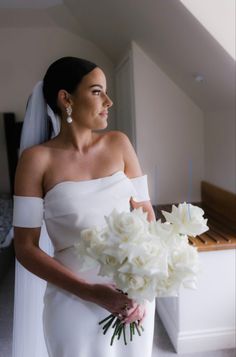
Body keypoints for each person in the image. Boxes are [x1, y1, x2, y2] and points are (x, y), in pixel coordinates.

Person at [12, 56, 156, 357]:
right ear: (66, 98)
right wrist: (90, 292)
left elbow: (145, 213)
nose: (109, 101)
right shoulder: (36, 161)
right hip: (73, 300)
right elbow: (25, 247)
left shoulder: (120, 144)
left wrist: (142, 287)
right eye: (96, 91)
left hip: (132, 296)